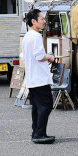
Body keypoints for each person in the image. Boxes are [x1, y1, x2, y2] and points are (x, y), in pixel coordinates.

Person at [20, 9, 57, 144]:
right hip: (40, 78)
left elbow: (23, 56)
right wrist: (50, 57)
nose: (44, 21)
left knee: (37, 107)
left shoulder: (27, 36)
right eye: (41, 19)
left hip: (32, 78)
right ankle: (39, 134)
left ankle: (36, 132)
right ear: (33, 21)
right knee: (46, 105)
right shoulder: (36, 36)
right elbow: (40, 56)